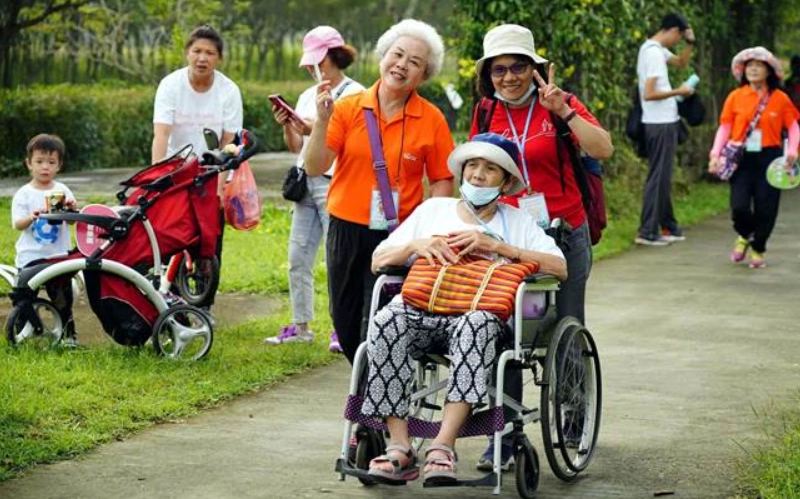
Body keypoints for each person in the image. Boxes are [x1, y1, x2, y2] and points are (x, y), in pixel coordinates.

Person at [362, 133, 567, 485]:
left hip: (479, 316)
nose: (478, 174)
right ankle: (400, 446)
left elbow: (560, 268)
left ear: (505, 182)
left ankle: (443, 445)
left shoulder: (516, 221)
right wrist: (416, 244)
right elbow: (378, 259)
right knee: (386, 320)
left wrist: (500, 248)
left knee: (477, 324)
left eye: (490, 169)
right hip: (422, 310)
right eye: (472, 165)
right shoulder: (433, 210)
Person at [469, 23, 613, 470]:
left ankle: (573, 414)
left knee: (566, 330)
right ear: (488, 74)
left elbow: (603, 148)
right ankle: (505, 434)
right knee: (505, 332)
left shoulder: (559, 103)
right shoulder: (486, 111)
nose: (509, 77)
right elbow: (475, 167)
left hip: (565, 233)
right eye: (499, 70)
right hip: (508, 239)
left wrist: (564, 112)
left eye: (518, 67)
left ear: (535, 68)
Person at [303, 19, 455, 364]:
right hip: (345, 229)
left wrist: (429, 228)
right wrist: (323, 120)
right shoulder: (348, 107)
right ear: (383, 57)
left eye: (414, 62)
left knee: (381, 324)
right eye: (397, 55)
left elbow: (443, 179)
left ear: (424, 74)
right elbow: (314, 165)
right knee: (344, 321)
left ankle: (372, 408)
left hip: (398, 235)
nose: (402, 65)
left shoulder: (432, 120)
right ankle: (368, 393)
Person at [262, 26, 365, 351]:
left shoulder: (355, 94)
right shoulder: (309, 93)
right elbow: (297, 147)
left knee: (338, 260)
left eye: (315, 60)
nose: (311, 68)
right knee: (297, 256)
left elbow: (347, 143)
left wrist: (315, 125)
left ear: (331, 57)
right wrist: (288, 126)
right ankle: (301, 325)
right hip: (304, 182)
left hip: (336, 183)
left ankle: (342, 328)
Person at [151, 24, 244, 313]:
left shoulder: (228, 90)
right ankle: (173, 298)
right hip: (175, 170)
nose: (202, 58)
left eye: (210, 53)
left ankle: (204, 306)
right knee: (172, 234)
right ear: (187, 54)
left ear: (219, 58)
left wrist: (219, 187)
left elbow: (229, 142)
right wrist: (157, 178)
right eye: (197, 51)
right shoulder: (170, 84)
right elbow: (161, 134)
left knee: (208, 239)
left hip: (210, 172)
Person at [708, 46, 799, 269]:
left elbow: (794, 126)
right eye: (750, 66)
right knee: (739, 206)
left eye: (759, 66)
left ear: (769, 71)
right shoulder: (735, 97)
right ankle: (746, 234)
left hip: (770, 157)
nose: (754, 69)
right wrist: (715, 154)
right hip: (741, 157)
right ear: (743, 71)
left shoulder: (780, 99)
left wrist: (792, 151)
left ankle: (758, 248)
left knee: (766, 208)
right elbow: (725, 127)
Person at [11, 134, 79, 347]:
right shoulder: (24, 194)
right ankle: (25, 329)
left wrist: (71, 209)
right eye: (39, 162)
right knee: (25, 297)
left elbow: (71, 223)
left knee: (62, 298)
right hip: (31, 258)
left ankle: (69, 335)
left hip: (57, 257)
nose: (45, 167)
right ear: (29, 164)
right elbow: (17, 224)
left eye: (51, 162)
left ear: (59, 165)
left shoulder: (61, 190)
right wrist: (32, 217)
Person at [635, 12, 696, 246]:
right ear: (672, 30)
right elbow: (648, 94)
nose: (678, 42)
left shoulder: (654, 50)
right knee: (658, 177)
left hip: (663, 121)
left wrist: (691, 44)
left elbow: (681, 62)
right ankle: (647, 231)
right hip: (659, 122)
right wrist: (679, 92)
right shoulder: (653, 55)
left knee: (663, 177)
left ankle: (668, 225)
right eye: (679, 37)